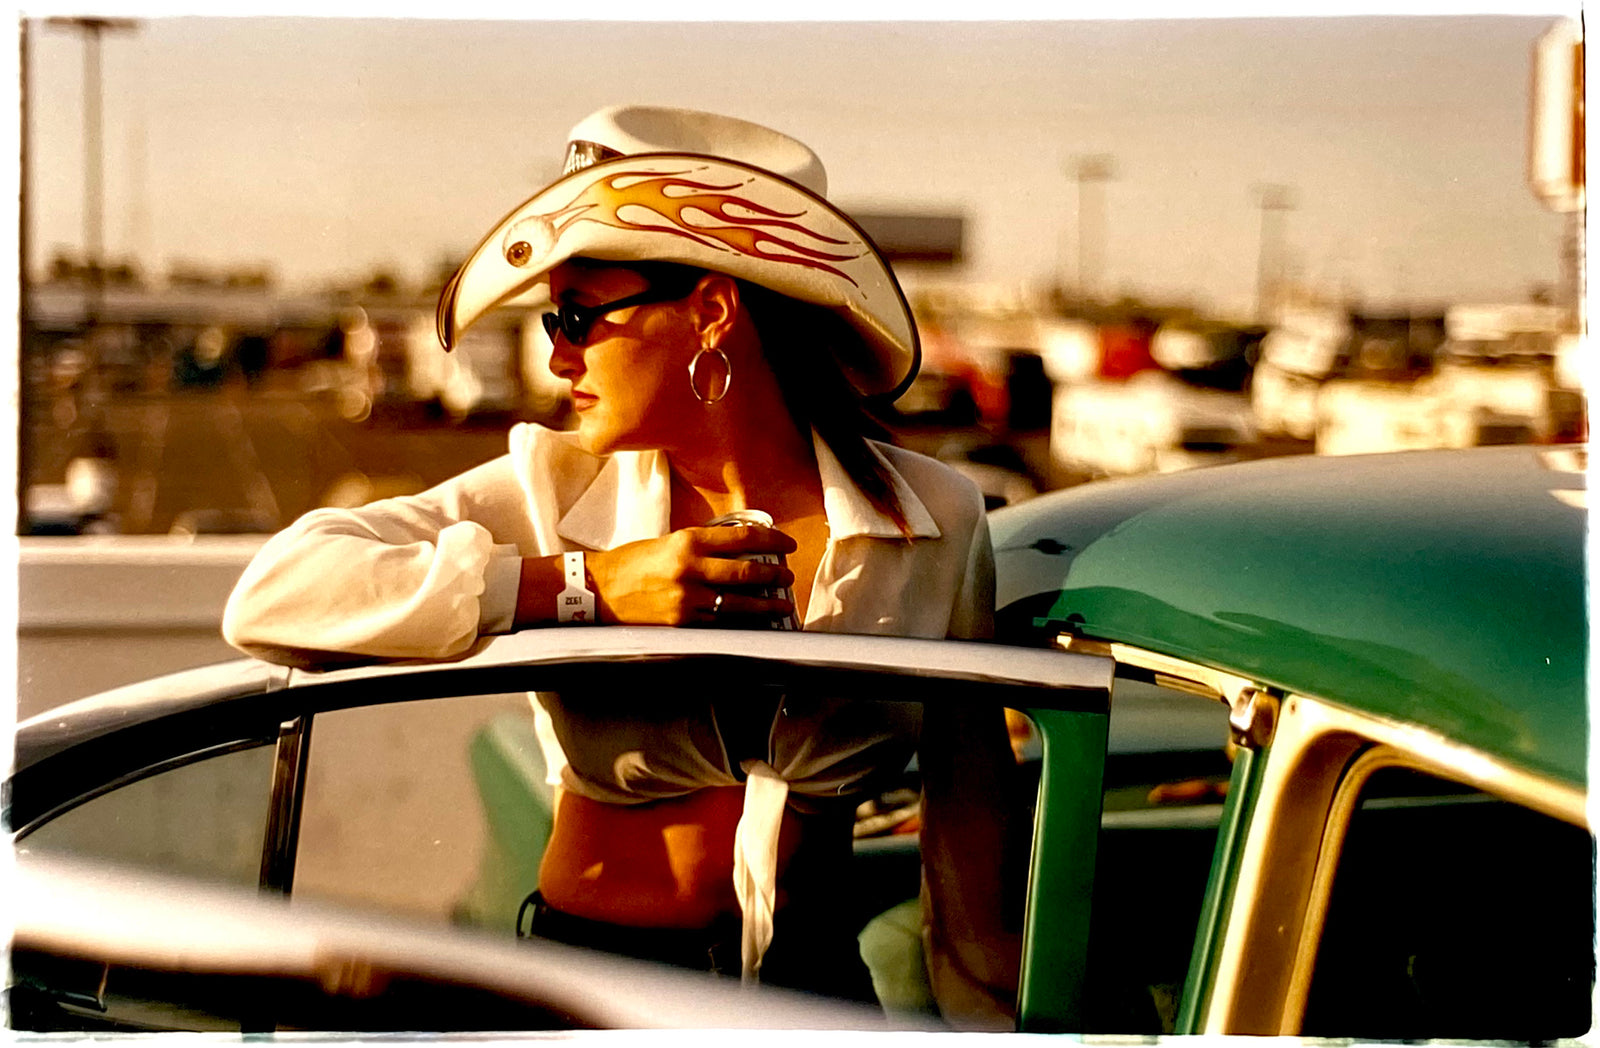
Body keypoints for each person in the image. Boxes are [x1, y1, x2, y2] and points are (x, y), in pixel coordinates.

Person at [223, 105, 1023, 1027]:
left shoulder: (935, 520)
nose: (557, 354)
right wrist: (584, 588)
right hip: (588, 996)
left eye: (576, 314)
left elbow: (973, 857)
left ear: (713, 311)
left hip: (811, 1004)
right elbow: (276, 591)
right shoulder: (551, 491)